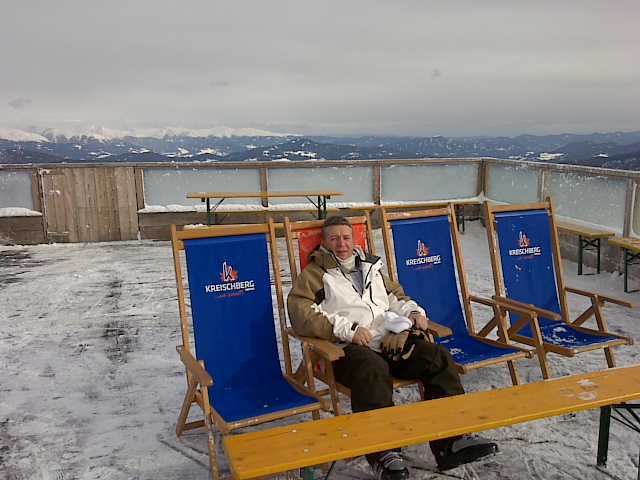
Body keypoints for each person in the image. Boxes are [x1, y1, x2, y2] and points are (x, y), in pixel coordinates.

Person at [287, 215, 497, 479]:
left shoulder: (371, 267)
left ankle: (452, 441)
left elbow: (396, 297)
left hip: (387, 340)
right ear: (325, 243)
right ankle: (384, 453)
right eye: (334, 238)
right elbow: (301, 313)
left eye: (346, 237)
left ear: (354, 239)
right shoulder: (315, 275)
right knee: (373, 369)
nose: (341, 244)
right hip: (345, 348)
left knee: (436, 356)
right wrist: (347, 330)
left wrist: (413, 314)